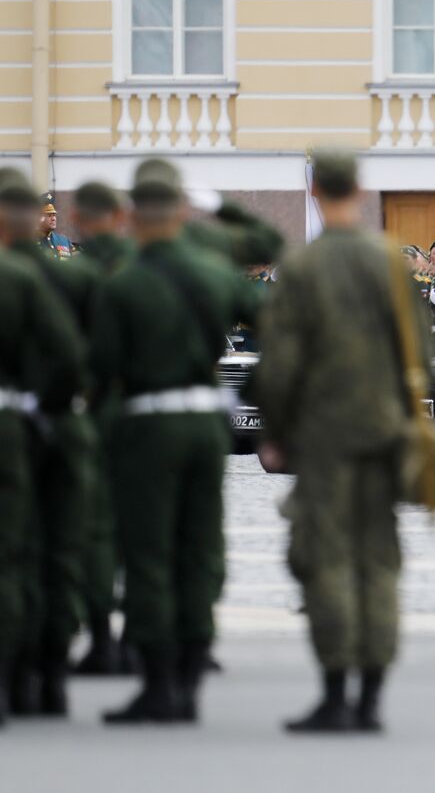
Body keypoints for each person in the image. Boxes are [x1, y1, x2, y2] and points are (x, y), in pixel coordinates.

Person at [248, 151, 425, 733]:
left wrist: (276, 433)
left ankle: (334, 692)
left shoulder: (304, 268)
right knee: (377, 559)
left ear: (315, 189)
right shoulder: (391, 264)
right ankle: (372, 698)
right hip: (383, 434)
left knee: (325, 560)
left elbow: (280, 365)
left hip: (324, 438)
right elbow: (423, 356)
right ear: (362, 187)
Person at [87, 159, 265, 724]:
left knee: (149, 551)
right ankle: (192, 675)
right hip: (207, 422)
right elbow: (275, 327)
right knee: (199, 546)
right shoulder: (217, 274)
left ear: (133, 215)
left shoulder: (125, 282)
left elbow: (101, 369)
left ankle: (160, 684)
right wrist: (254, 393)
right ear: (183, 213)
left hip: (148, 424)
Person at [0, 174, 98, 717]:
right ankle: (50, 674)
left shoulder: (46, 263)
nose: (52, 219)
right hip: (46, 418)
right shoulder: (56, 272)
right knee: (54, 547)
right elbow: (69, 354)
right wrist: (56, 407)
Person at [67, 183, 136, 677]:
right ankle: (145, 641)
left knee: (95, 532)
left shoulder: (73, 276)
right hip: (150, 413)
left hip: (94, 412)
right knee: (152, 532)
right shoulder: (154, 268)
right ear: (121, 216)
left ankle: (98, 640)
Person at [38, 192, 75, 260]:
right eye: (49, 215)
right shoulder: (30, 242)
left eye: (54, 215)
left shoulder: (64, 241)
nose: (53, 219)